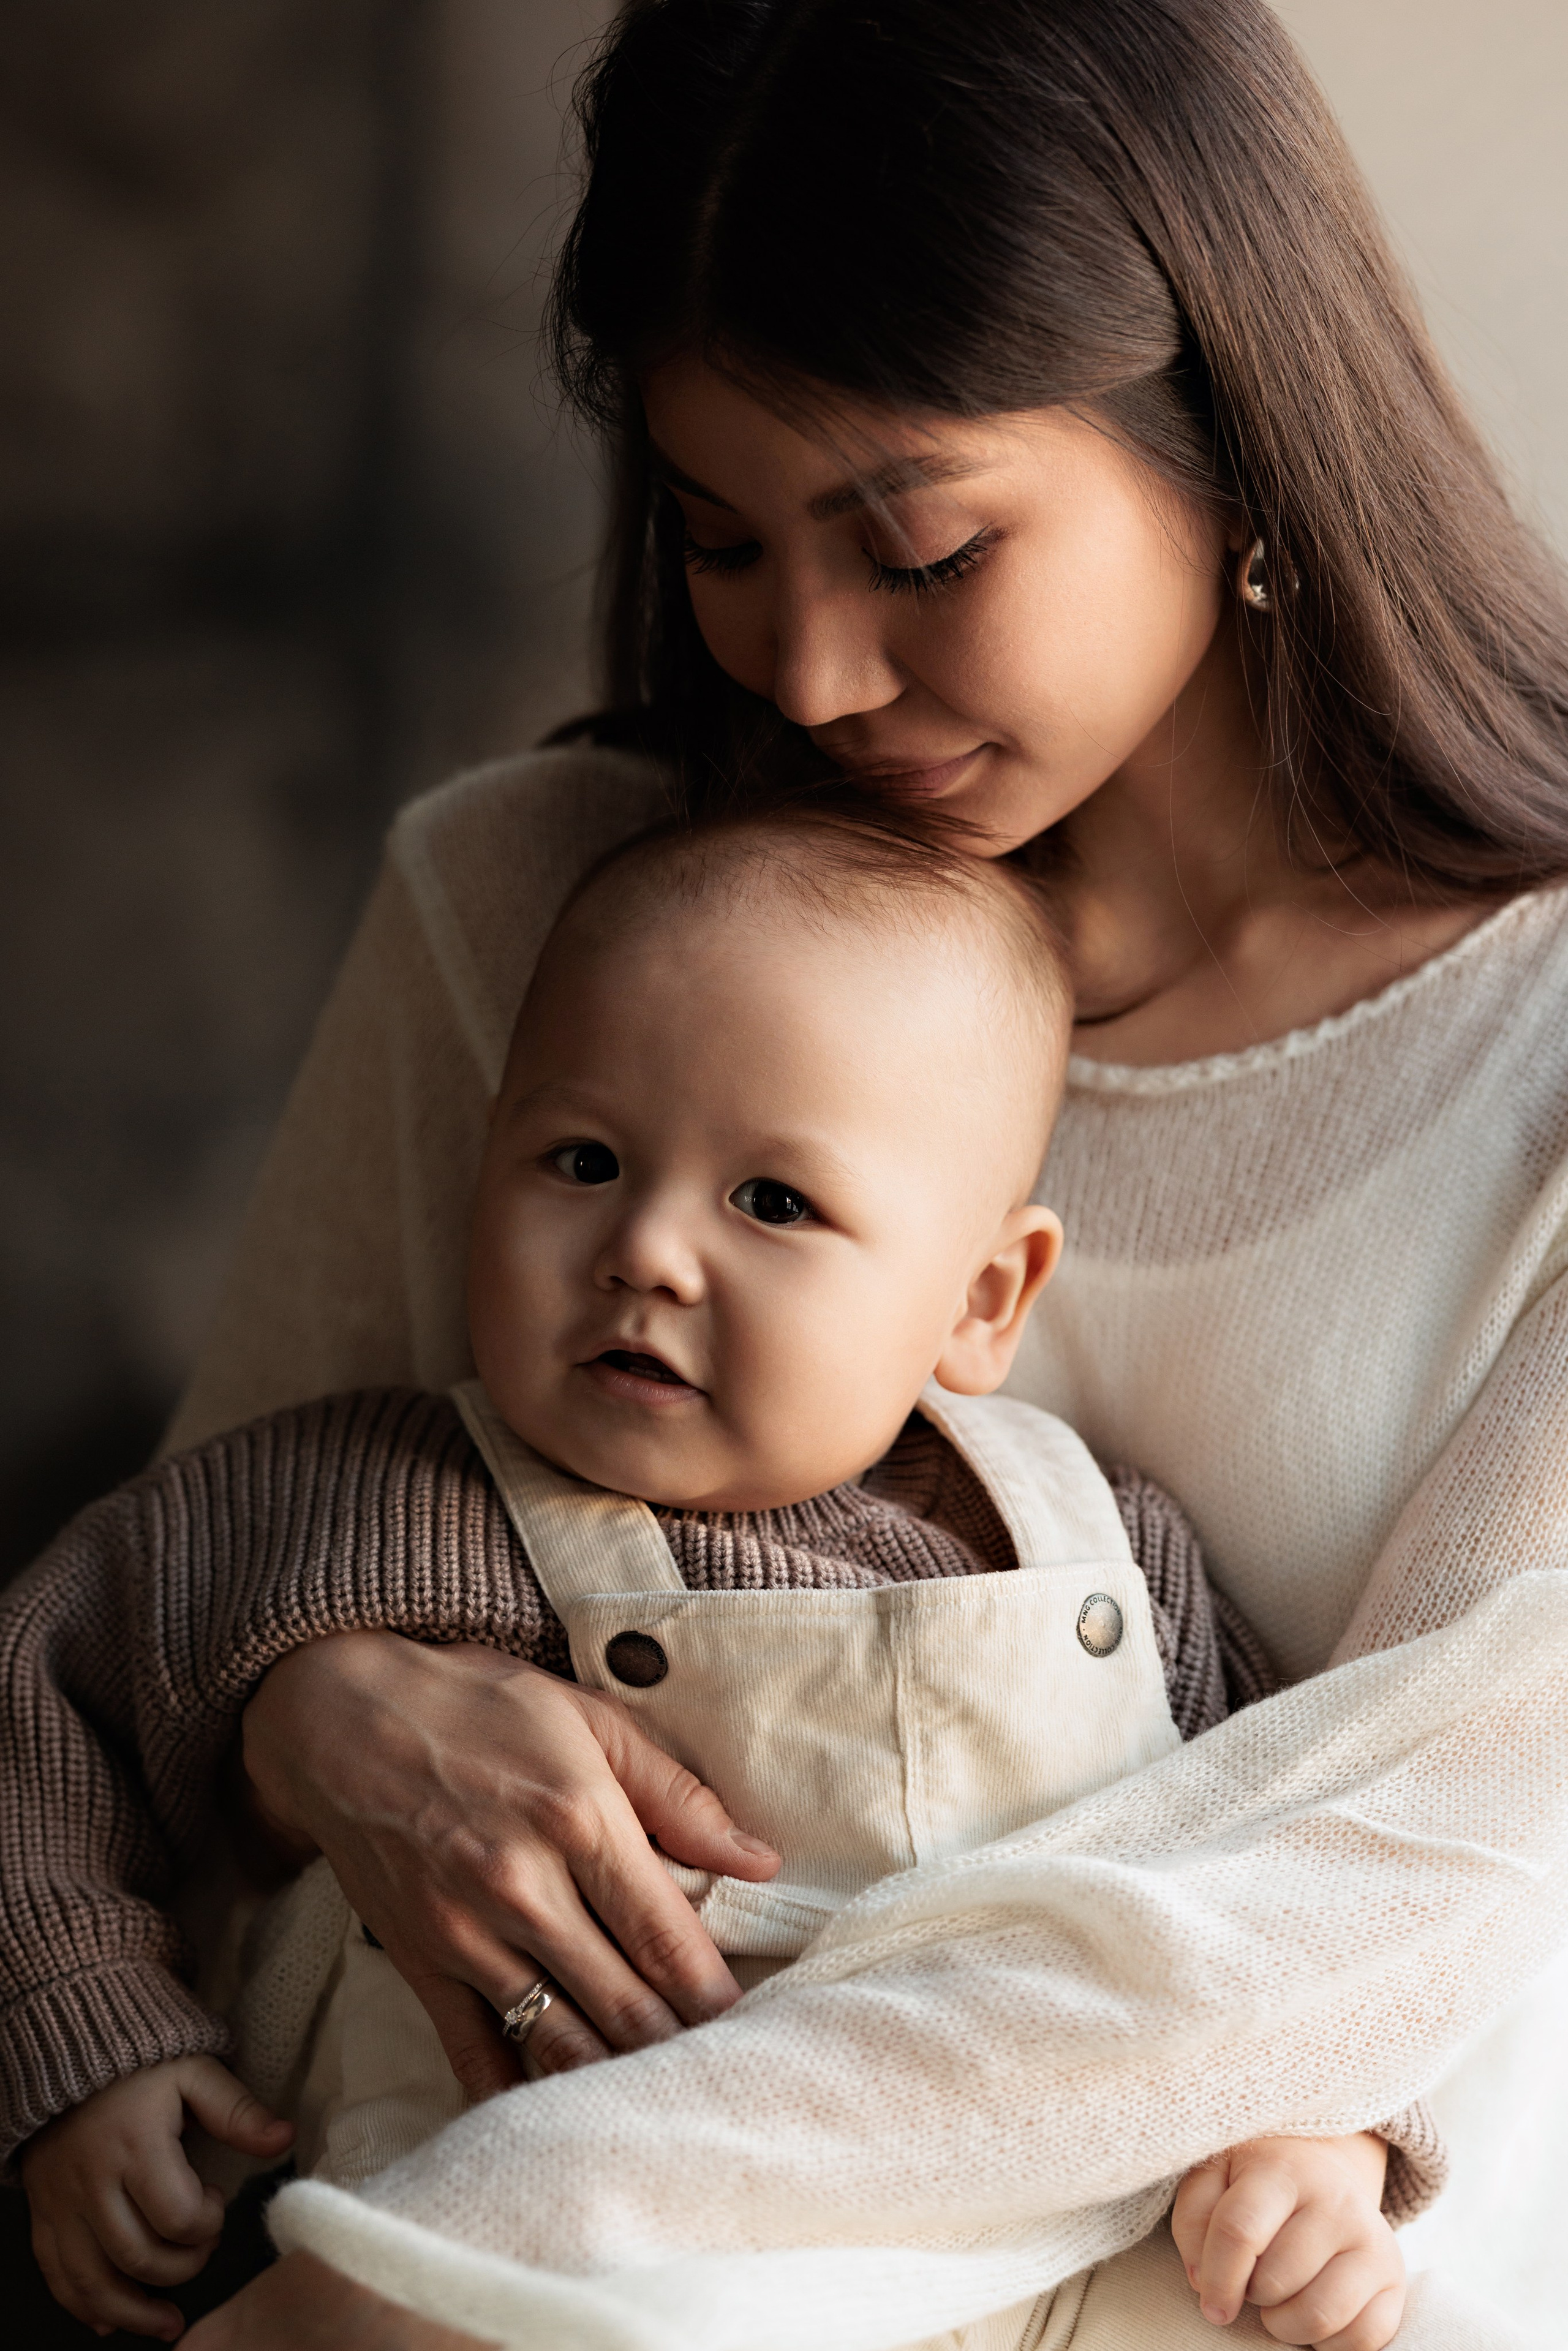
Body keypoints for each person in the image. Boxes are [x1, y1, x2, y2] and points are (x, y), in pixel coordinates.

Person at [54, 0, 1568, 2341]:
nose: (818, 670)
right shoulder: (542, 904)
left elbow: (1388, 1865)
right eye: (722, 537)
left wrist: (455, 2268)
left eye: (924, 544)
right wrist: (313, 1700)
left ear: (1238, 436)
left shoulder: (1543, 1032)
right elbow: (159, 1632)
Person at [7, 808, 1431, 2349]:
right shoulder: (372, 1495)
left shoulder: (1100, 1545)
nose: (646, 1252)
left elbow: (1311, 1866)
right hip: (533, 2266)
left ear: (978, 1296)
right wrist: (92, 2033)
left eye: (770, 1201)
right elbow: (42, 1682)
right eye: (582, 1159)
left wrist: (1324, 2133)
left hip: (1036, 2258)